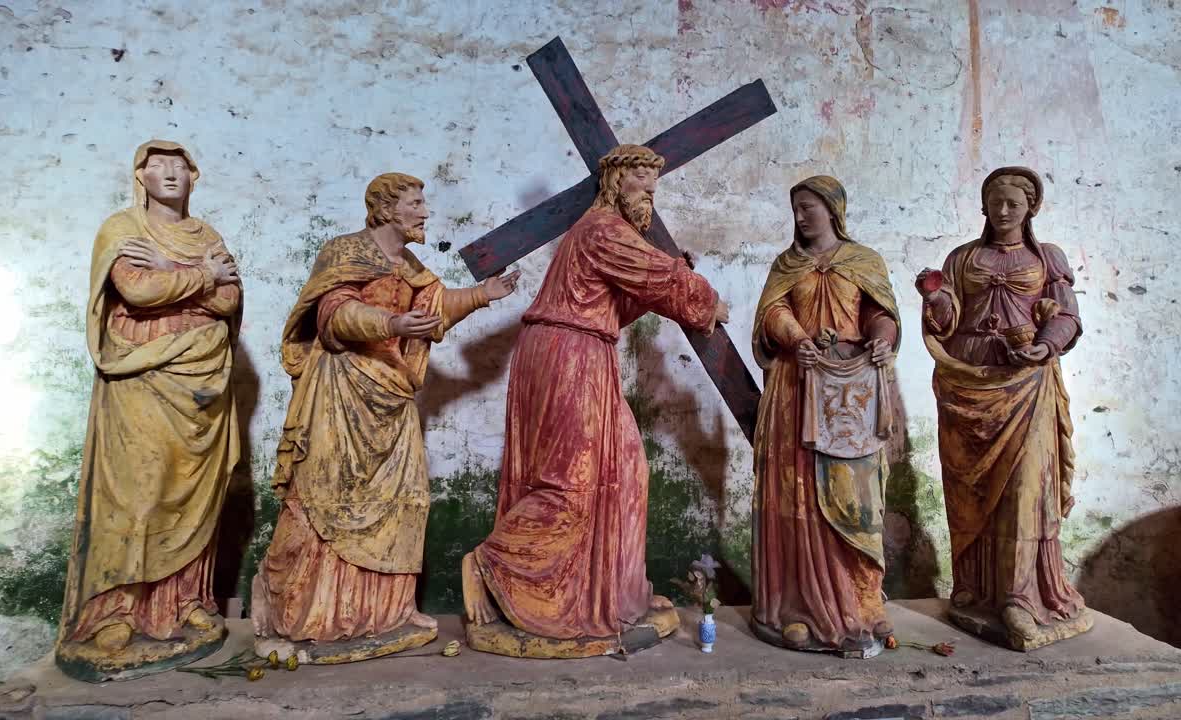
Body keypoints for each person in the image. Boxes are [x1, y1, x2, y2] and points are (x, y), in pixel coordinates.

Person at [463, 144, 729, 648]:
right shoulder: (602, 229)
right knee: (573, 480)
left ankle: (612, 591)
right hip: (567, 356)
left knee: (626, 470)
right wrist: (706, 298)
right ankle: (491, 562)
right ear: (613, 180)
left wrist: (671, 278)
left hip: (586, 350)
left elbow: (615, 307)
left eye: (655, 179)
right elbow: (660, 279)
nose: (651, 188)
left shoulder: (609, 235)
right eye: (640, 177)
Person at [252, 173, 518, 659]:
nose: (424, 212)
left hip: (392, 398)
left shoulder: (410, 265)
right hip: (342, 391)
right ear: (387, 208)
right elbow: (334, 315)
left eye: (422, 203)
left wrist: (484, 293)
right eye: (416, 203)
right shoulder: (345, 251)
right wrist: (390, 323)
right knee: (329, 495)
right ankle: (312, 612)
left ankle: (388, 611)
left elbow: (435, 306)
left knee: (405, 496)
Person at [58, 140, 241, 677]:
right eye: (156, 165)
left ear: (194, 176)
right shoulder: (121, 230)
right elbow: (136, 290)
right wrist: (203, 277)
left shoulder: (207, 236)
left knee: (190, 498)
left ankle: (184, 601)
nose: (168, 173)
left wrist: (176, 272)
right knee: (137, 491)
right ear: (140, 175)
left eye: (178, 166)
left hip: (202, 379)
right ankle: (115, 609)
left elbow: (230, 302)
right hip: (139, 373)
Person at [918, 166, 1087, 646]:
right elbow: (946, 319)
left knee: (1024, 487)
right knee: (968, 489)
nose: (1004, 209)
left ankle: (1018, 598)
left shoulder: (1046, 257)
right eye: (996, 201)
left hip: (1027, 383)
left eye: (1014, 202)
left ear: (1030, 207)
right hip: (967, 381)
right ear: (984, 205)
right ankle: (973, 587)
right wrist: (934, 297)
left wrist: (1046, 345)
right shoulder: (962, 257)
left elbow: (1068, 314)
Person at [749, 176, 899, 654]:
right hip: (797, 388)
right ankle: (797, 605)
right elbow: (771, 313)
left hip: (853, 389)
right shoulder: (786, 264)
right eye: (795, 207)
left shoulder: (864, 261)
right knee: (798, 493)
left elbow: (880, 311)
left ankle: (863, 604)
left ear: (833, 209)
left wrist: (882, 337)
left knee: (857, 495)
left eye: (808, 206)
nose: (799, 216)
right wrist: (798, 339)